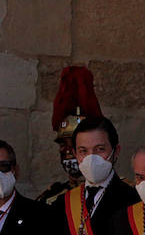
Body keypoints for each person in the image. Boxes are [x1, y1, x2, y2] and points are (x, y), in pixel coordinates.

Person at [38, 66, 99, 205]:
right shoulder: (51, 197)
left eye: (73, 143)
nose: (67, 151)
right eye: (62, 144)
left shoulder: (123, 194)